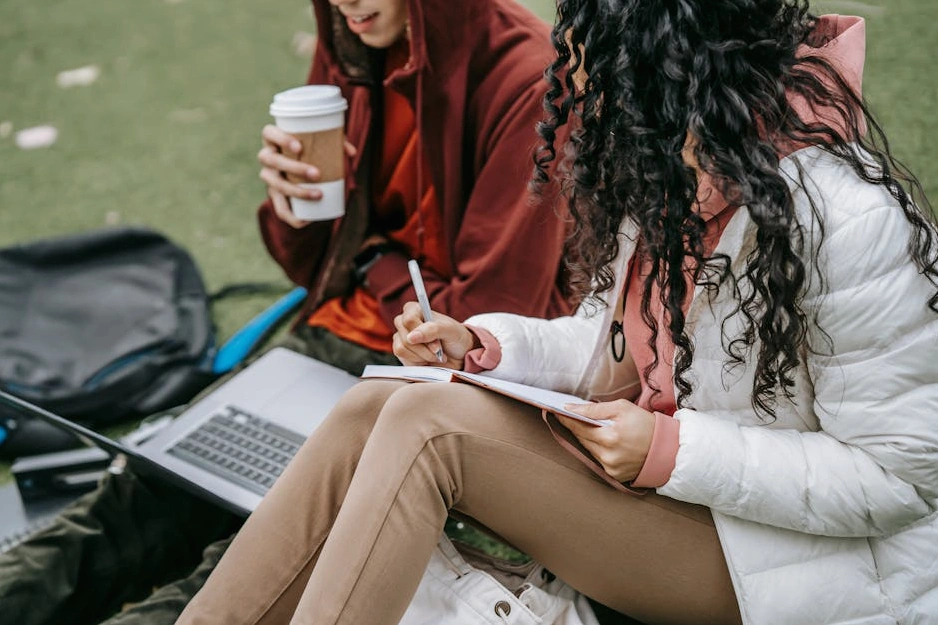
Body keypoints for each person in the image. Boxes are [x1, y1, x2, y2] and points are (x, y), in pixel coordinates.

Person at [174, 1, 938, 624]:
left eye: (596, 76)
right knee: (377, 402)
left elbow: (900, 480)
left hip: (790, 561)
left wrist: (673, 450)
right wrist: (482, 346)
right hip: (673, 493)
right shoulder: (673, 167)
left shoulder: (846, 219)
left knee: (427, 429)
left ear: (669, 77)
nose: (580, 98)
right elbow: (605, 345)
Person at [0, 0, 573, 623]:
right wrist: (295, 211)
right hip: (328, 340)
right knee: (139, 496)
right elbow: (319, 266)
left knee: (241, 562)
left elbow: (480, 325)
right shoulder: (354, 36)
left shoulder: (532, 78)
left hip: (423, 379)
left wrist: (364, 259)